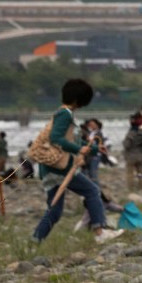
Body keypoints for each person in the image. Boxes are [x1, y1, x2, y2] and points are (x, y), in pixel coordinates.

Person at [32, 79, 122, 243]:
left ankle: (35, 240)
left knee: (55, 210)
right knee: (92, 191)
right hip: (59, 168)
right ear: (78, 99)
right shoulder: (65, 114)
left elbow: (71, 141)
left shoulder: (63, 112)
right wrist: (78, 150)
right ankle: (100, 232)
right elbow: (56, 138)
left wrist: (94, 149)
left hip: (50, 169)